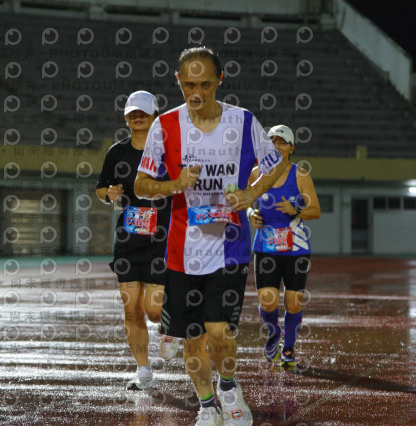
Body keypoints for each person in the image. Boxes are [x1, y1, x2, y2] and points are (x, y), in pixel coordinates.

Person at [135, 47, 285, 426]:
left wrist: (250, 194)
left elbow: (276, 165)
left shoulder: (243, 122)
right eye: (188, 85)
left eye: (204, 84)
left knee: (219, 331)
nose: (196, 93)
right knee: (193, 339)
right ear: (178, 81)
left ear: (220, 80)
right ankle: (206, 405)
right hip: (181, 251)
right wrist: (174, 183)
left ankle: (229, 388)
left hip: (229, 246)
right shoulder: (164, 126)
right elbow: (141, 185)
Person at [96, 90, 179, 391]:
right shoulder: (117, 153)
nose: (138, 117)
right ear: (126, 118)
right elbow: (101, 189)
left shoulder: (171, 152)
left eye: (144, 113)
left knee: (153, 310)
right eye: (133, 113)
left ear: (155, 116)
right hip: (129, 239)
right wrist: (109, 194)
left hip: (162, 239)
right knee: (131, 309)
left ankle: (170, 325)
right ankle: (143, 370)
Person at [247, 124, 321, 366]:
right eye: (272, 142)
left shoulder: (300, 175)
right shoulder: (256, 173)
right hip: (265, 247)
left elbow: (315, 211)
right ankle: (273, 332)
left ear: (291, 148)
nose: (276, 146)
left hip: (296, 248)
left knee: (293, 301)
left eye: (282, 142)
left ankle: (288, 348)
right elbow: (245, 202)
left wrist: (295, 209)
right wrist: (250, 214)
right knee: (267, 300)